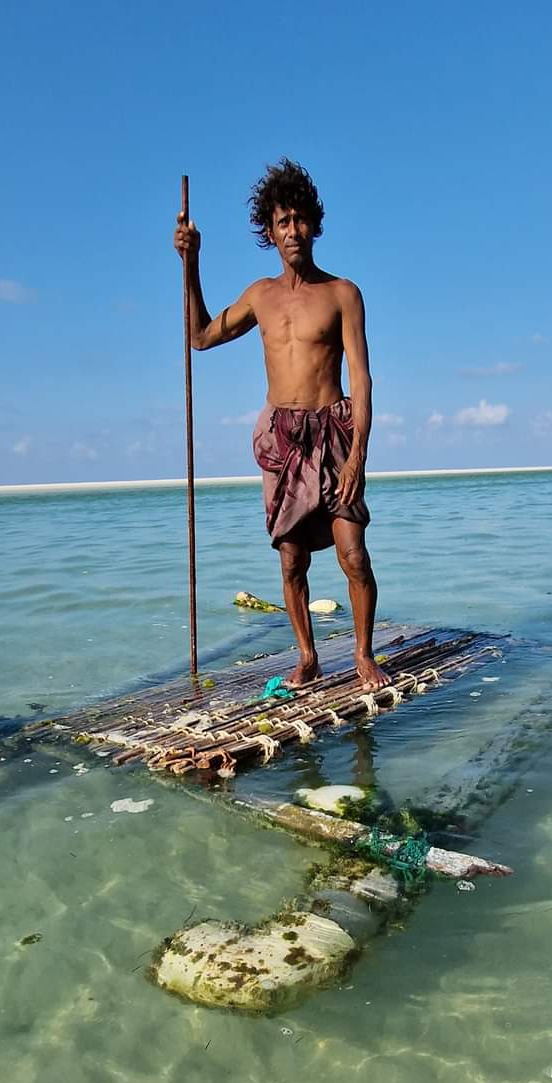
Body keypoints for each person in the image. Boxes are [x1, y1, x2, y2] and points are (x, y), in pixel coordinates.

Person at [174, 159, 389, 691]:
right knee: (292, 561)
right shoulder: (260, 295)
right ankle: (309, 656)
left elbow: (361, 380)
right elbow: (200, 337)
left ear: (315, 225)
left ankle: (363, 655)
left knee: (353, 554)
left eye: (300, 219)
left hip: (336, 433)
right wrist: (191, 263)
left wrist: (359, 453)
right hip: (284, 438)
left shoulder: (343, 294)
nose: (292, 231)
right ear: (269, 232)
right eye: (282, 221)